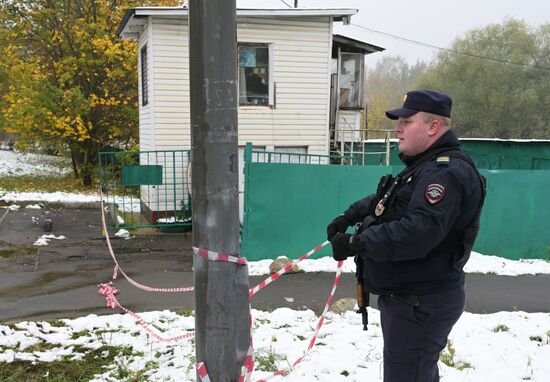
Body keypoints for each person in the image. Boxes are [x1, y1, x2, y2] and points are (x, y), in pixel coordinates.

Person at [326, 90, 485, 382]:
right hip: (412, 299)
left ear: (433, 127)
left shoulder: (444, 173)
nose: (397, 128)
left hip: (420, 302)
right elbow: (390, 198)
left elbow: (417, 233)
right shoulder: (425, 167)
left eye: (407, 121)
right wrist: (350, 216)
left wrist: (355, 243)